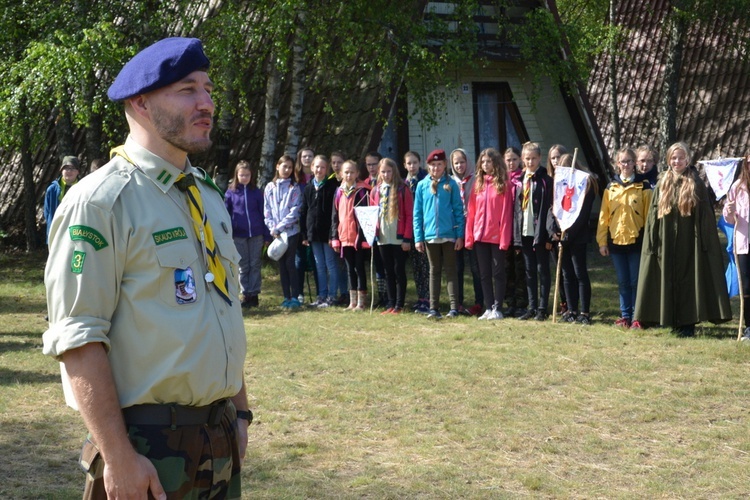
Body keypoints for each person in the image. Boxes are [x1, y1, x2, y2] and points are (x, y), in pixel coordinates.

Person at [42, 37, 250, 499]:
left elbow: (223, 309)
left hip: (217, 440)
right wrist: (117, 456)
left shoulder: (205, 195)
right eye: (187, 90)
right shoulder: (100, 201)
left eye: (208, 89)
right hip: (145, 446)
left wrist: (240, 413)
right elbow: (78, 337)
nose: (206, 103)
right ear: (140, 102)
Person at [635, 142, 732, 336]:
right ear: (668, 160)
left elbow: (705, 216)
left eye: (680, 157)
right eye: (673, 157)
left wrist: (704, 244)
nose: (676, 161)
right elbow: (654, 215)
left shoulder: (695, 183)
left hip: (690, 242)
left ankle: (688, 323)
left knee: (689, 279)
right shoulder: (663, 182)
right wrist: (653, 241)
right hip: (666, 240)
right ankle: (671, 320)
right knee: (667, 278)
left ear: (688, 159)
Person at [597, 147, 652, 329]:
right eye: (622, 161)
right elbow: (604, 217)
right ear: (617, 164)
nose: (626, 165)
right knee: (623, 281)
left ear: (635, 163)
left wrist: (648, 241)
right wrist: (602, 241)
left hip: (637, 241)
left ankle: (638, 316)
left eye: (629, 161)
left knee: (636, 281)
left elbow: (649, 217)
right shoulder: (610, 188)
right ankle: (625, 316)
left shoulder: (643, 187)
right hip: (616, 241)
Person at [413, 149, 465, 319]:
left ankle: (453, 307)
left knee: (451, 270)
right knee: (434, 271)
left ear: (445, 165)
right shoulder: (422, 185)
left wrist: (459, 235)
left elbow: (458, 210)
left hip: (449, 234)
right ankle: (433, 308)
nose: (436, 168)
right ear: (428, 166)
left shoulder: (451, 185)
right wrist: (418, 238)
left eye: (439, 164)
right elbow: (417, 213)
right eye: (433, 165)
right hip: (430, 236)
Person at [464, 148, 513, 320]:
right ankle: (488, 306)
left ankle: (498, 307)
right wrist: (469, 236)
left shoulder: (504, 185)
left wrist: (505, 239)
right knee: (483, 273)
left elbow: (506, 213)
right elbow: (471, 213)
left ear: (496, 163)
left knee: (498, 272)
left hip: (497, 236)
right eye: (483, 162)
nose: (485, 164)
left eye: (489, 161)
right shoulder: (478, 184)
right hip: (480, 236)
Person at [556, 153, 597, 325]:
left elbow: (582, 213)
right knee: (567, 274)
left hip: (578, 235)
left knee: (580, 273)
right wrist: (556, 232)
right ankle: (571, 310)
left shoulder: (585, 183)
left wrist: (570, 235)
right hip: (562, 234)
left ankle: (584, 312)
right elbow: (556, 207)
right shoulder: (559, 184)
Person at [514, 141, 554, 321]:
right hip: (525, 231)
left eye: (534, 158)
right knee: (529, 270)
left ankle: (542, 308)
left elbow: (549, 208)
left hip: (540, 232)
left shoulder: (546, 181)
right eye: (527, 158)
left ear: (540, 159)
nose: (530, 162)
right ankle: (531, 306)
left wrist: (548, 233)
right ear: (522, 159)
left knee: (542, 269)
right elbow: (516, 209)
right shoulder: (520, 180)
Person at [370, 157, 414, 314]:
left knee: (399, 270)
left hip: (398, 237)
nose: (386, 174)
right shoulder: (376, 190)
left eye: (389, 171)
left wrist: (407, 238)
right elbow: (372, 213)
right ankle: (390, 303)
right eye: (383, 172)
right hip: (382, 237)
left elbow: (409, 215)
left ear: (394, 171)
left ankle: (399, 304)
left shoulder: (403, 188)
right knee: (387, 271)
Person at [225, 160, 270, 308]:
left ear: (252, 175)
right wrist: (229, 233)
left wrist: (266, 235)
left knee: (255, 264)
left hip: (256, 234)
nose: (244, 177)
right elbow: (226, 214)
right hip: (239, 235)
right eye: (242, 175)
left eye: (247, 175)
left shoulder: (256, 193)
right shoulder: (231, 193)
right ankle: (246, 294)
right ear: (237, 175)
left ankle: (254, 294)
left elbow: (263, 213)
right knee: (243, 265)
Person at [299, 155, 339, 308]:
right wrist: (304, 234)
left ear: (326, 169)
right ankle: (321, 295)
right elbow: (304, 212)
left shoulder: (331, 187)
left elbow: (334, 213)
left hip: (327, 234)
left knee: (331, 264)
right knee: (319, 265)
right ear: (312, 168)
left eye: (323, 167)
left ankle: (332, 296)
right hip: (313, 234)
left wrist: (332, 234)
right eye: (317, 167)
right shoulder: (308, 187)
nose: (319, 170)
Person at [331, 160, 372, 310]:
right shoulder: (338, 192)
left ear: (357, 174)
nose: (348, 175)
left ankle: (362, 301)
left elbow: (366, 217)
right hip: (344, 237)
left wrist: (362, 238)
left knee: (359, 268)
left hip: (358, 238)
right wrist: (335, 238)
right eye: (346, 172)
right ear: (341, 174)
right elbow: (334, 216)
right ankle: (352, 301)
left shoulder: (363, 191)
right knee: (349, 269)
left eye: (352, 172)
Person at [264, 154, 303, 309]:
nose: (286, 170)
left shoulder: (294, 187)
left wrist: (279, 227)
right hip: (276, 233)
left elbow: (295, 211)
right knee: (281, 264)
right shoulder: (269, 187)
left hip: (291, 231)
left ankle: (295, 296)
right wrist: (272, 228)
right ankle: (286, 296)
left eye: (289, 167)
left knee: (290, 262)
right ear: (277, 166)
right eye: (284, 166)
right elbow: (266, 210)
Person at [450, 148, 483, 315]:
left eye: (462, 162)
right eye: (456, 162)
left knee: (476, 267)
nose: (459, 165)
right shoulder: (450, 182)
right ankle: (458, 302)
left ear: (468, 162)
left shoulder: (477, 180)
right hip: (456, 229)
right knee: (457, 267)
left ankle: (480, 302)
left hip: (474, 228)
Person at [723, 154, 750, 340]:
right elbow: (730, 220)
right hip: (744, 244)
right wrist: (729, 211)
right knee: (747, 288)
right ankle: (749, 327)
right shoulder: (737, 187)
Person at [404, 151, 430, 313]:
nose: (412, 166)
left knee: (426, 265)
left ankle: (428, 298)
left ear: (420, 163)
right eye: (409, 163)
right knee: (416, 266)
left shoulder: (425, 180)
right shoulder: (404, 182)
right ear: (404, 165)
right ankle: (420, 297)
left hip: (425, 227)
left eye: (415, 162)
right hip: (411, 229)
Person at [503, 147, 527, 317]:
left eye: (514, 159)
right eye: (508, 160)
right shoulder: (502, 180)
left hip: (520, 230)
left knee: (521, 270)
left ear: (520, 160)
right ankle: (509, 302)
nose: (511, 163)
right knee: (506, 269)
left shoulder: (523, 179)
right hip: (504, 232)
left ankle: (522, 303)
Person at [545, 144, 569, 315]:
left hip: (568, 230)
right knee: (559, 270)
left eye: (558, 157)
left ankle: (573, 304)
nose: (555, 161)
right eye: (553, 158)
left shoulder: (569, 180)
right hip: (553, 233)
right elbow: (548, 209)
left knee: (570, 270)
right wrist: (550, 231)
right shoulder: (549, 180)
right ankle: (563, 303)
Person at [44, 156, 80, 244]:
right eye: (66, 168)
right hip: (56, 232)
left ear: (78, 172)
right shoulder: (52, 189)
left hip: (75, 232)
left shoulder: (83, 189)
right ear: (61, 170)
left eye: (72, 168)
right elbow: (47, 212)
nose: (69, 171)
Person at [329, 151, 349, 305]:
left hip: (349, 229)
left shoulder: (349, 181)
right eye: (334, 162)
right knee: (338, 264)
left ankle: (350, 292)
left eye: (339, 162)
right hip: (336, 229)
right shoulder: (329, 182)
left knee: (348, 264)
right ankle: (342, 292)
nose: (336, 165)